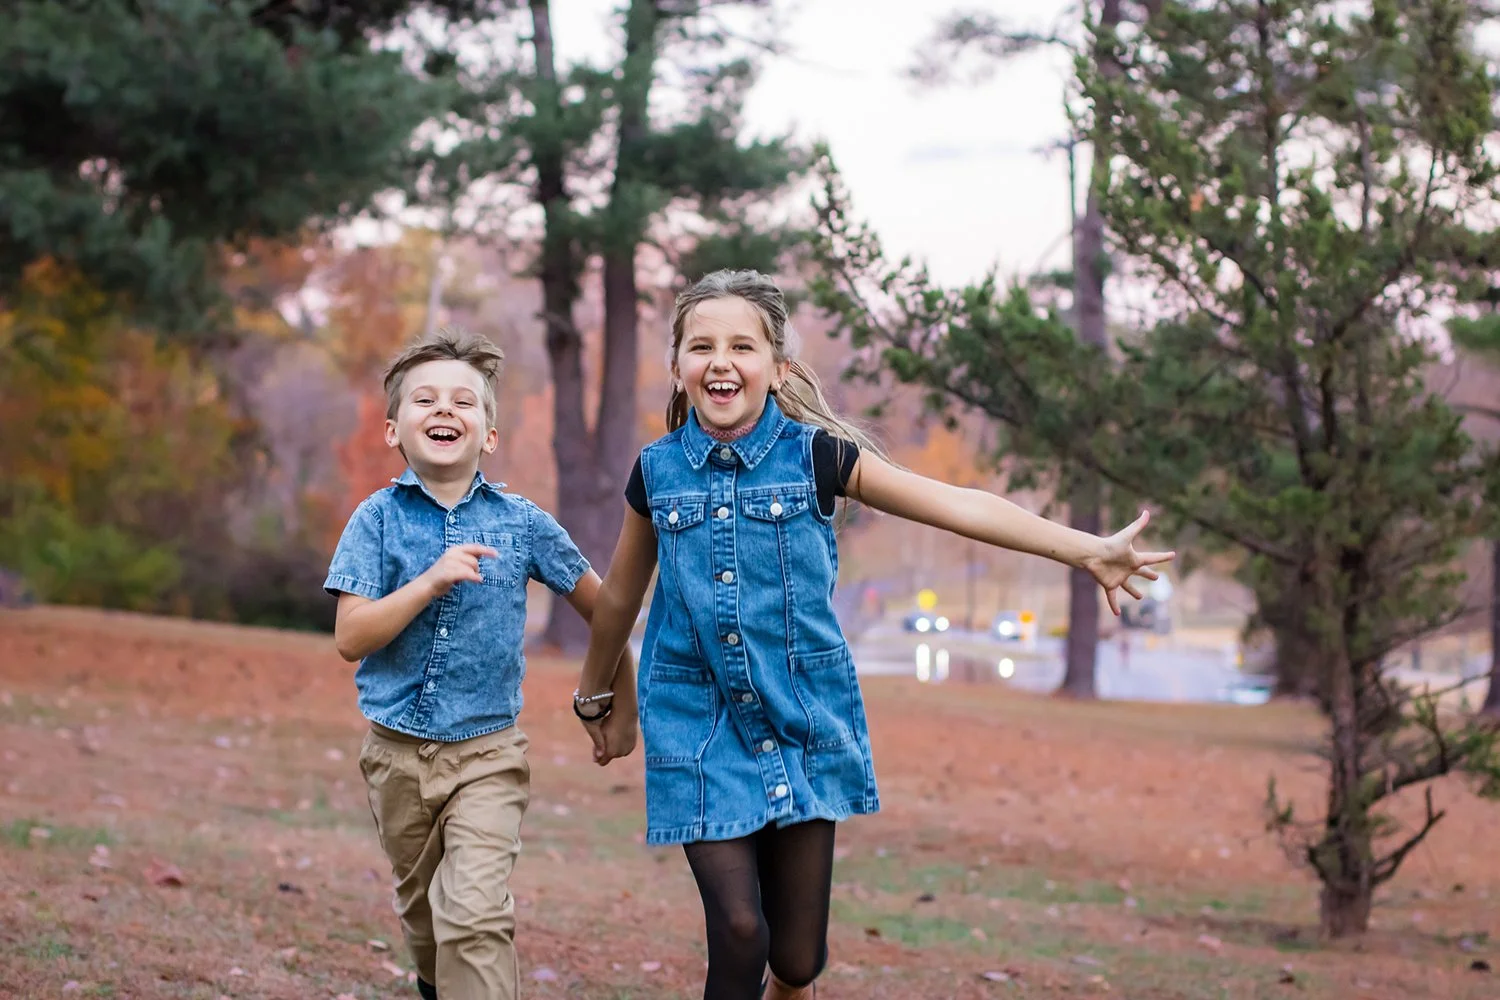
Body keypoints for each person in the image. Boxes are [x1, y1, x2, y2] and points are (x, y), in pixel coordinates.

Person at [571, 270, 1174, 1000]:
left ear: (777, 368)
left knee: (796, 960)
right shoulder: (656, 473)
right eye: (701, 346)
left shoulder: (819, 459)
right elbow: (619, 600)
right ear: (678, 367)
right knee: (737, 930)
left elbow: (956, 504)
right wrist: (598, 698)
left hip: (803, 721)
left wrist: (1082, 548)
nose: (721, 361)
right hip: (699, 725)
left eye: (742, 346)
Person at [323, 328, 635, 1000]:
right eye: (425, 400)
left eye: (463, 401)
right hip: (396, 757)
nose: (443, 410)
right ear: (391, 430)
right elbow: (351, 636)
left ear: (489, 436)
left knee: (473, 915)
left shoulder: (522, 525)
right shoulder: (374, 521)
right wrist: (429, 581)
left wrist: (619, 701)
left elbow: (606, 613)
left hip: (488, 755)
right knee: (427, 922)